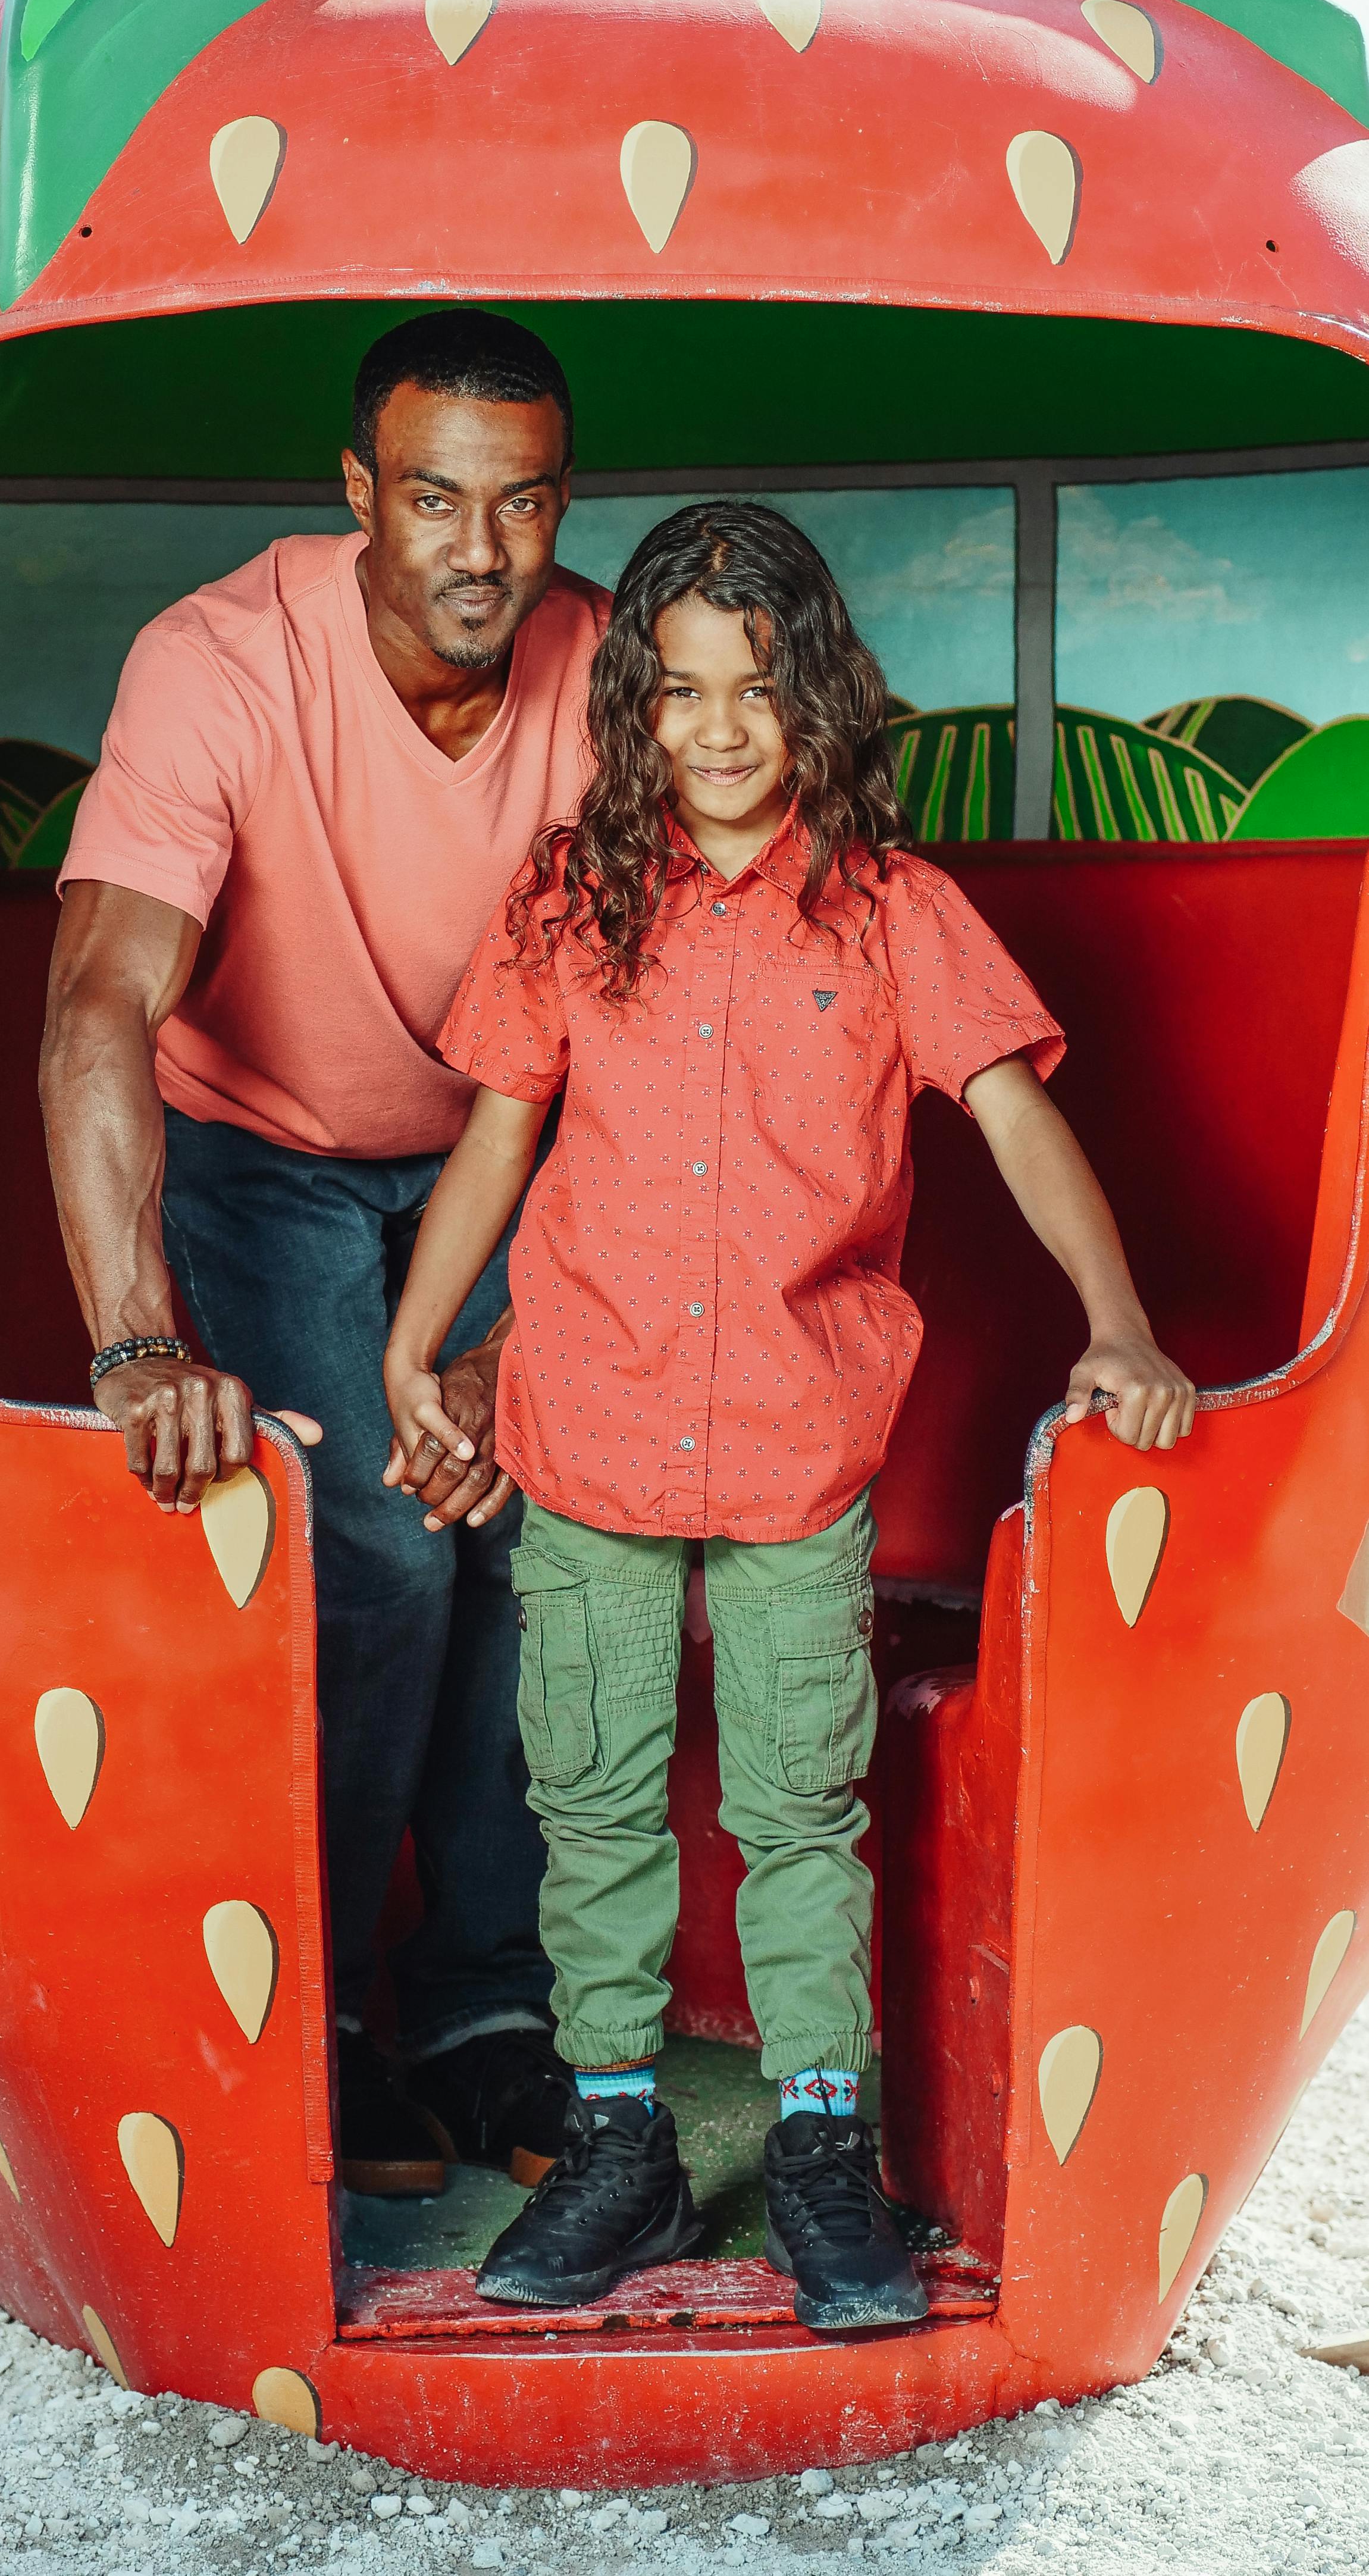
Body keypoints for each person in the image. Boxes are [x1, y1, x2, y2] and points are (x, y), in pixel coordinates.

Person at [382, 498, 1196, 2327]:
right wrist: (414, 1344)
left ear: (816, 694)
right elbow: (499, 1126)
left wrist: (1122, 1322)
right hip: (582, 1422)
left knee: (798, 1806)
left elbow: (1016, 1118)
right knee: (587, 1804)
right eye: (679, 694)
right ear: (635, 712)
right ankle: (620, 2150)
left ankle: (826, 2156)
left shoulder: (900, 911)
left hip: (793, 1442)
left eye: (757, 689)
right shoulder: (567, 900)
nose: (722, 729)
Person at [40, 308, 609, 2195]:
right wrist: (136, 1345)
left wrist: (500, 1349)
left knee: (526, 1521)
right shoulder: (217, 663)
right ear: (359, 491)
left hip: (513, 1153)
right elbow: (100, 1004)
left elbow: (664, 1025)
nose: (478, 548)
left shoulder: (600, 660)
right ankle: (332, 2022)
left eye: (520, 503)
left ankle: (484, 2015)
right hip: (266, 1148)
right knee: (368, 1542)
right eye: (434, 496)